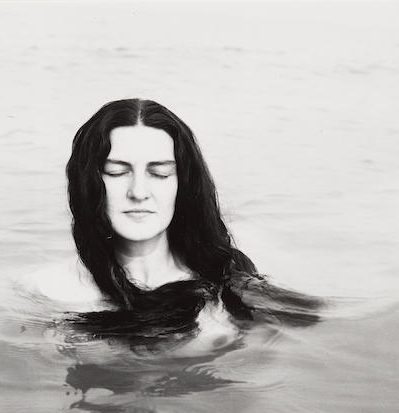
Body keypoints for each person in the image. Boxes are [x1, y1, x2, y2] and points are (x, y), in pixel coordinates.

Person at [25, 98, 322, 354]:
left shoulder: (230, 283)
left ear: (183, 185)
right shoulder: (47, 290)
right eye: (116, 172)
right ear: (88, 183)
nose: (138, 192)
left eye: (160, 174)